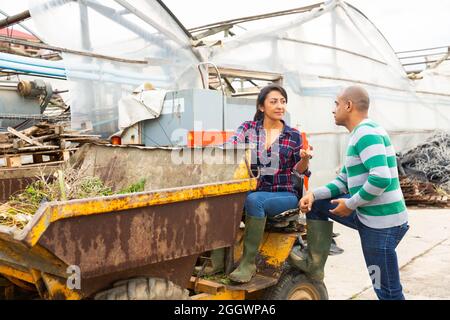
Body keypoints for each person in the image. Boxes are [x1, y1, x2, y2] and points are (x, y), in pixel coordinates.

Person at [289, 85, 409, 300]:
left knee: (386, 289)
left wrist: (350, 204)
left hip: (382, 224)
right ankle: (314, 264)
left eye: (336, 104)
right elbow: (343, 181)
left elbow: (381, 177)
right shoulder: (359, 134)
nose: (333, 109)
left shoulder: (366, 133)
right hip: (370, 215)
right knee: (316, 204)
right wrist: (313, 194)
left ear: (348, 105)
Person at [226, 84, 313, 283]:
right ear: (261, 107)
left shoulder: (293, 135)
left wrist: (305, 159)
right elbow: (233, 143)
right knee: (225, 199)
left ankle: (248, 262)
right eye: (274, 101)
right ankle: (218, 260)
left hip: (284, 194)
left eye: (283, 101)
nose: (279, 106)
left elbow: (299, 171)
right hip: (255, 191)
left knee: (255, 201)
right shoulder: (249, 128)